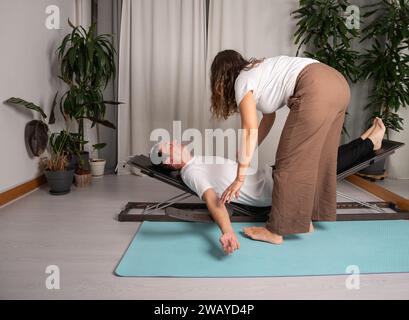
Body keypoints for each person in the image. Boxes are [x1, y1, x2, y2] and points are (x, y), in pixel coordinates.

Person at [150, 118, 386, 254]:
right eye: (169, 144)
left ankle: (365, 142)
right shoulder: (192, 172)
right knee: (318, 163)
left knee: (314, 156)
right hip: (275, 188)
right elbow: (212, 200)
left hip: (271, 176)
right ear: (170, 160)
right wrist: (228, 231)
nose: (175, 141)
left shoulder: (196, 161)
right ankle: (367, 144)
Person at [209, 50, 351, 245]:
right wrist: (248, 150)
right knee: (318, 158)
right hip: (338, 84)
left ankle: (275, 231)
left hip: (315, 85)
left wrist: (239, 178)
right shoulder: (259, 71)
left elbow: (249, 129)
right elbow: (268, 117)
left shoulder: (242, 81)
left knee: (288, 162)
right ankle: (305, 220)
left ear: (221, 78)